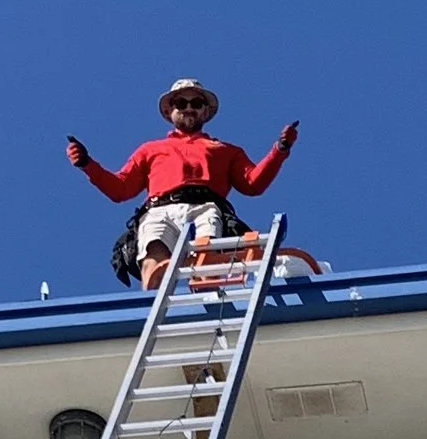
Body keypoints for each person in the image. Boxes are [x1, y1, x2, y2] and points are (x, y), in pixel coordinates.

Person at [66, 78, 301, 287]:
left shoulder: (226, 150)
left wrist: (279, 150)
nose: (189, 108)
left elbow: (252, 184)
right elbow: (121, 189)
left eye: (196, 104)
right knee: (153, 261)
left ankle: (206, 309)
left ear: (206, 112)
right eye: (181, 103)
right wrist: (88, 164)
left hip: (206, 207)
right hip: (158, 210)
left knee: (208, 263)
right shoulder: (150, 150)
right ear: (170, 111)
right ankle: (150, 313)